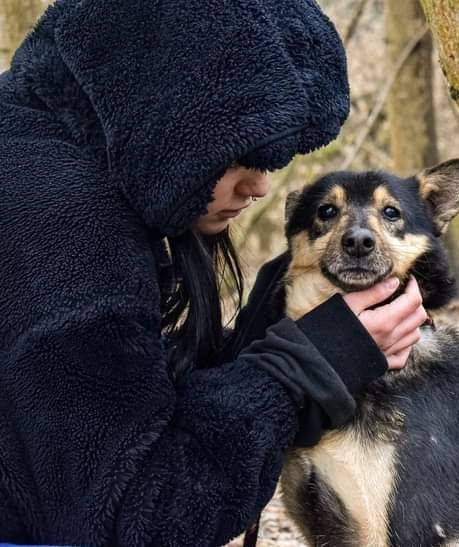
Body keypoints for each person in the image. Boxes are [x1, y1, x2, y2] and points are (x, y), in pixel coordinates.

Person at [0, 1, 427, 545]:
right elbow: (141, 515)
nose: (261, 187)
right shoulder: (59, 221)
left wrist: (264, 339)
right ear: (171, 115)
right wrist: (306, 367)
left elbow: (105, 409)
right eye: (241, 153)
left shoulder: (40, 148)